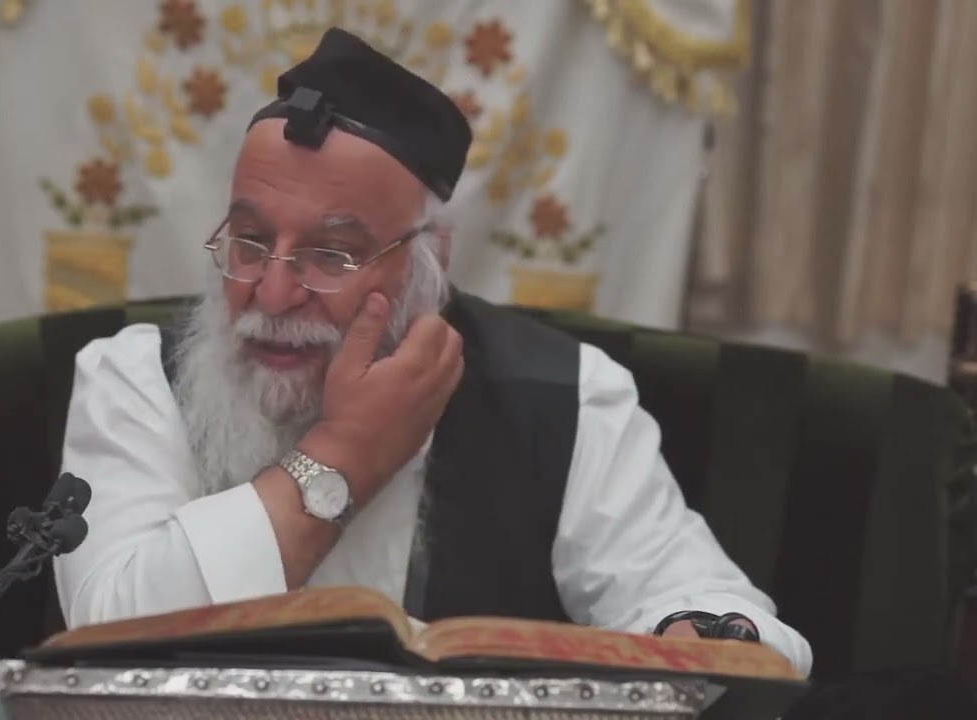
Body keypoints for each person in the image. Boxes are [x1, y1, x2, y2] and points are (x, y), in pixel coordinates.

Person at [52, 27, 813, 677]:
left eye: (331, 255)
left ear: (429, 263)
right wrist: (342, 457)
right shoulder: (135, 378)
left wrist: (690, 634)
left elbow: (718, 614)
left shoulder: (562, 394)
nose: (273, 295)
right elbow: (111, 641)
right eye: (251, 242)